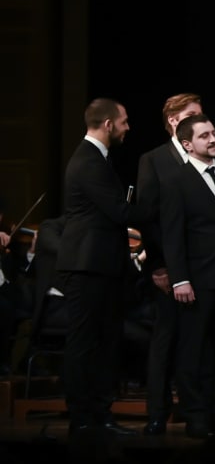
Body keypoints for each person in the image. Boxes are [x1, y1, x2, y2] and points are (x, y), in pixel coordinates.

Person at [161, 114, 215, 438]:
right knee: (194, 351)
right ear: (187, 144)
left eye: (214, 133)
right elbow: (172, 235)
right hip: (197, 280)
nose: (213, 139)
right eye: (204, 136)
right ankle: (196, 416)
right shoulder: (176, 180)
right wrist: (179, 279)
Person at [56, 98, 137, 436]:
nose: (127, 128)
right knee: (86, 343)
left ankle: (99, 415)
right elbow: (120, 211)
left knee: (104, 342)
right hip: (87, 265)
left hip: (99, 265)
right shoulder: (89, 161)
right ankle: (83, 418)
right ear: (108, 124)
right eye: (124, 121)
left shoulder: (97, 158)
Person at [135, 92, 203, 435]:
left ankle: (196, 411)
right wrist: (160, 267)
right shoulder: (154, 159)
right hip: (169, 268)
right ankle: (157, 413)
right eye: (193, 115)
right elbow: (148, 218)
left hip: (203, 267)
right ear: (174, 121)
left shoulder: (208, 154)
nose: (200, 121)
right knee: (165, 340)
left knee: (197, 342)